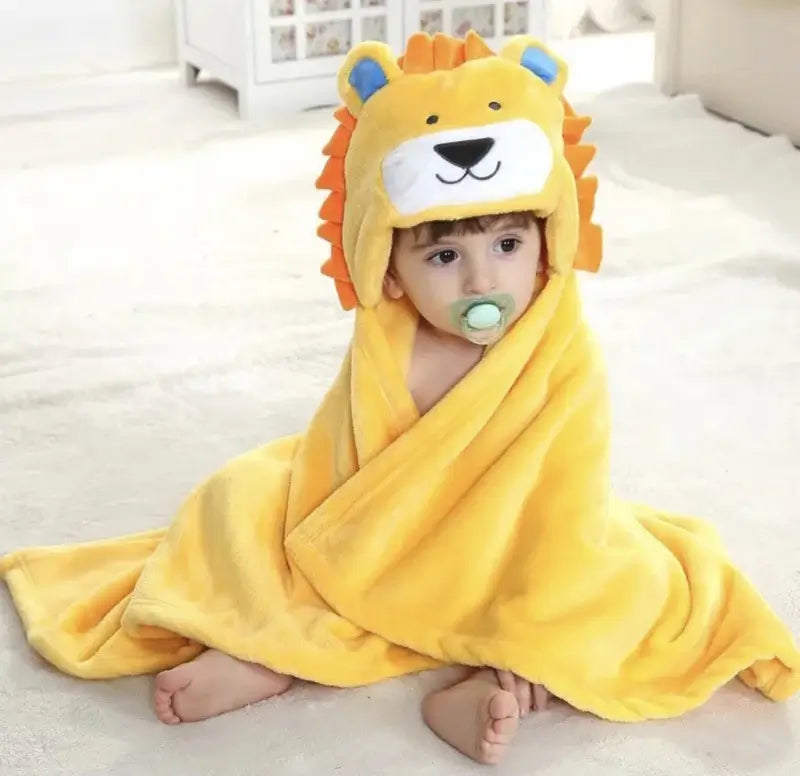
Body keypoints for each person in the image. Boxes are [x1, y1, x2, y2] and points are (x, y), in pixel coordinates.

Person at [154, 211, 553, 765]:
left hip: (500, 539)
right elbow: (341, 471)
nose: (482, 281)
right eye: (445, 256)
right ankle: (266, 647)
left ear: (547, 248)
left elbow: (565, 476)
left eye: (508, 245)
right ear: (390, 274)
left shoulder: (554, 347)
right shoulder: (390, 349)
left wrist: (542, 599)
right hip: (384, 534)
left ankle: (489, 684)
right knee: (243, 501)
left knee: (603, 596)